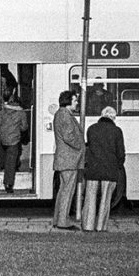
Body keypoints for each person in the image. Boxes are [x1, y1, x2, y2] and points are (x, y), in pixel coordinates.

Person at [82, 105, 125, 232]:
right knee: (105, 199)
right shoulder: (117, 131)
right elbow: (120, 152)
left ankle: (88, 225)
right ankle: (101, 226)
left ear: (101, 115)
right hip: (110, 169)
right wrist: (119, 165)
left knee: (90, 197)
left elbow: (89, 147)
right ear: (113, 117)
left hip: (93, 168)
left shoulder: (91, 129)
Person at [52, 90, 84, 230]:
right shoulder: (65, 115)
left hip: (65, 158)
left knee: (62, 190)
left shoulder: (61, 114)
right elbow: (69, 137)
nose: (77, 103)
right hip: (69, 159)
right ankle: (63, 221)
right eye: (75, 100)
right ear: (68, 101)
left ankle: (58, 219)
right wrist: (81, 145)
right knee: (67, 191)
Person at [0, 87, 28, 193]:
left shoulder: (2, 111)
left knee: (6, 155)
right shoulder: (21, 113)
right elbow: (24, 127)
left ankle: (2, 166)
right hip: (14, 139)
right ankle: (8, 183)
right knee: (11, 161)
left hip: (3, 138)